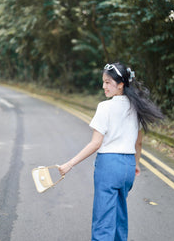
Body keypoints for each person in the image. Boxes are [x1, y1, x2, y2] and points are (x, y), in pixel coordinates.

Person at [59, 62, 163, 241]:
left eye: (108, 82)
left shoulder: (105, 107)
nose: (103, 86)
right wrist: (136, 164)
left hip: (109, 166)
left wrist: (69, 164)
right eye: (103, 82)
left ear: (120, 84)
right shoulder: (136, 108)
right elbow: (138, 143)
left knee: (103, 220)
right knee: (119, 215)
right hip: (128, 167)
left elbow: (95, 143)